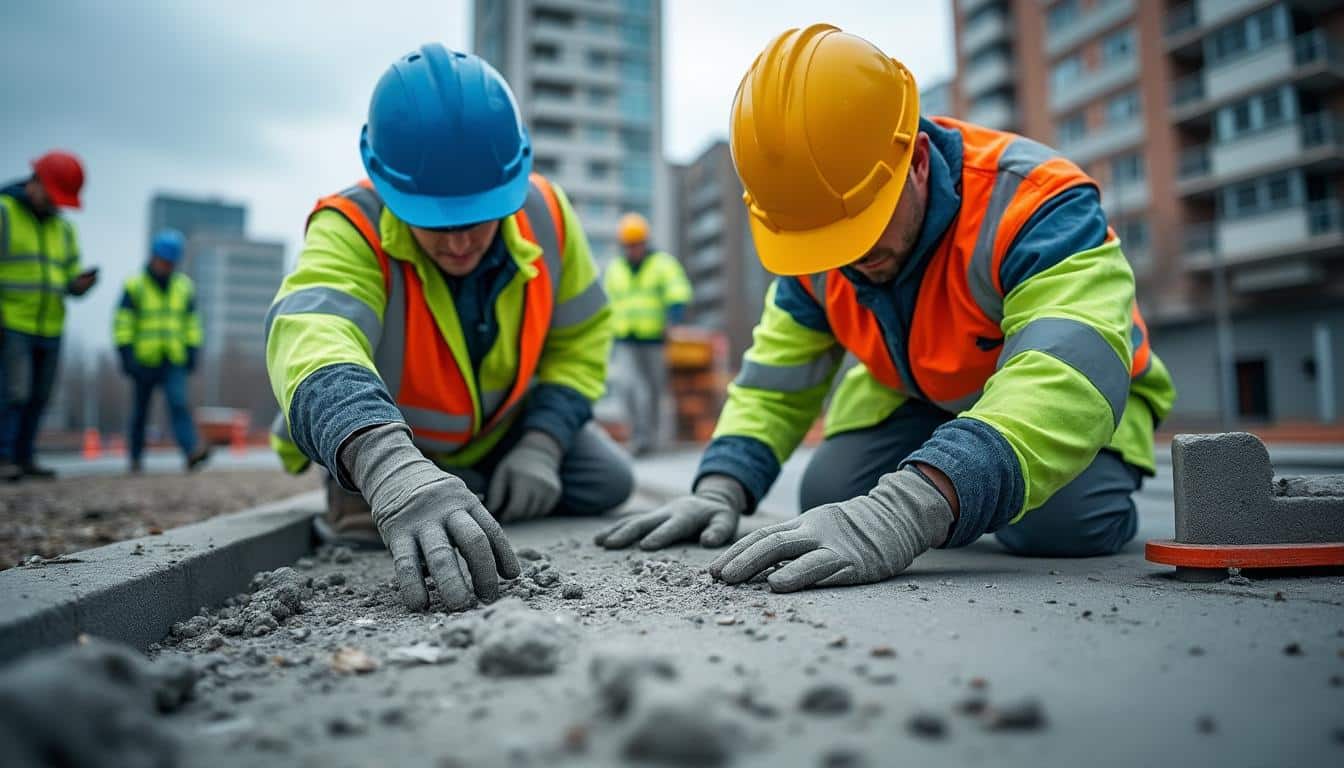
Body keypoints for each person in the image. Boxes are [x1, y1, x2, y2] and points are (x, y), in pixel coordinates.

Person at [596, 24, 1176, 594]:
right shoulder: (817, 246)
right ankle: (960, 474)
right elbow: (774, 383)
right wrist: (720, 485)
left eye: (860, 228)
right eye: (825, 239)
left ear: (918, 159)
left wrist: (910, 509)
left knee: (1061, 524)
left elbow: (1065, 373)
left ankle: (974, 480)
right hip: (923, 397)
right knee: (828, 498)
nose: (847, 258)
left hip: (1085, 394)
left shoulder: (1035, 201)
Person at [267, 43, 631, 612]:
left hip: (501, 431)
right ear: (388, 186)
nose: (459, 241)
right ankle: (377, 483)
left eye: (477, 217)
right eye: (435, 220)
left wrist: (542, 442)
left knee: (607, 480)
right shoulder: (352, 226)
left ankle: (465, 484)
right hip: (391, 433)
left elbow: (581, 342)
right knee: (371, 520)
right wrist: (386, 466)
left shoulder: (551, 218)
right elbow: (311, 337)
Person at [0, 151, 98, 481]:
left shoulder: (63, 228)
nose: (55, 204)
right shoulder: (5, 213)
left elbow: (67, 274)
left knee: (39, 396)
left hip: (50, 324)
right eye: (53, 196)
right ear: (36, 181)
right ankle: (4, 457)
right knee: (15, 392)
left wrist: (79, 284)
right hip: (12, 321)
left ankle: (25, 457)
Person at [114, 228, 210, 473]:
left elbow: (192, 323)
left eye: (171, 262)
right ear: (153, 258)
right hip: (143, 359)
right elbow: (123, 322)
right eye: (164, 261)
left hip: (173, 358)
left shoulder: (183, 287)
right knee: (140, 411)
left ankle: (191, 452)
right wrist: (126, 353)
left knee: (178, 404)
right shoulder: (135, 286)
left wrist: (192, 349)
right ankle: (135, 458)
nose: (167, 266)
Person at [602, 213, 692, 455]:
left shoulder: (662, 264)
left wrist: (673, 318)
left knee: (653, 390)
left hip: (653, 338)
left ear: (645, 242)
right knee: (628, 387)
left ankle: (652, 438)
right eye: (629, 245)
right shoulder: (615, 270)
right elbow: (607, 303)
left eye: (637, 244)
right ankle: (639, 437)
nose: (633, 250)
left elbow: (678, 290)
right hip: (625, 339)